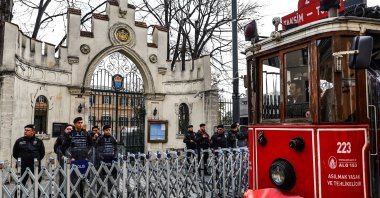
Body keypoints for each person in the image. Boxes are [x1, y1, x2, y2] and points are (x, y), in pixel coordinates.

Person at [12, 124, 45, 197]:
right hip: (22, 166)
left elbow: (42, 154)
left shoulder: (39, 141)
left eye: (28, 130)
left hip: (34, 166)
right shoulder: (19, 141)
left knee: (36, 183)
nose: (25, 132)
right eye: (25, 130)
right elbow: (15, 154)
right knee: (20, 183)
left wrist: (35, 160)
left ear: (33, 132)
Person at [96, 125, 118, 196]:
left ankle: (110, 192)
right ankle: (100, 193)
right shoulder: (100, 138)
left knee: (111, 177)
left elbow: (116, 148)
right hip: (102, 160)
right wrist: (100, 157)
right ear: (104, 131)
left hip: (111, 159)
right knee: (100, 177)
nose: (108, 131)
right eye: (106, 130)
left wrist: (115, 156)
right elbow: (96, 149)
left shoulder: (113, 138)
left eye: (109, 130)